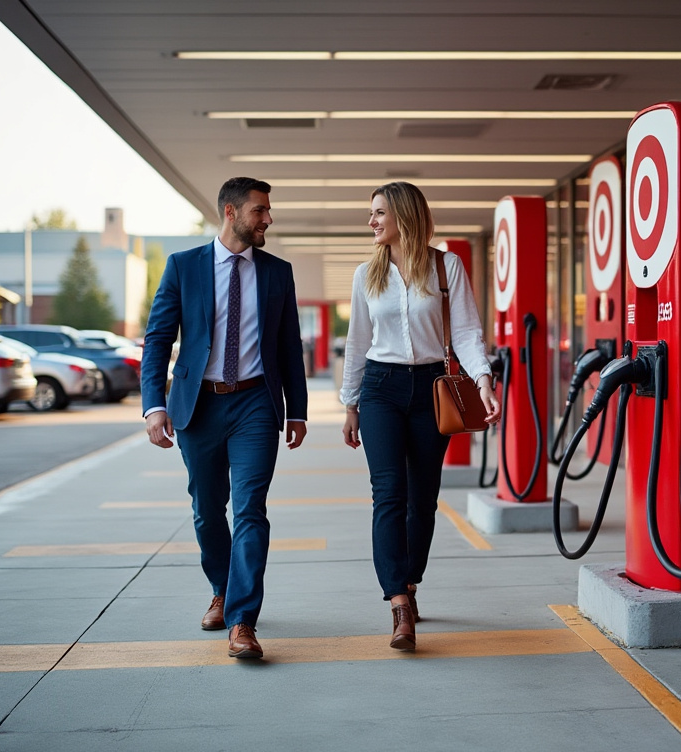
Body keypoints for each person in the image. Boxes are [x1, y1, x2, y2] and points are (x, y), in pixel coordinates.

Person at [141, 176, 308, 660]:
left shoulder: (278, 272)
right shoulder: (183, 267)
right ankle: (221, 587)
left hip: (255, 402)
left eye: (268, 210)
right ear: (231, 213)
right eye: (260, 211)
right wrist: (155, 405)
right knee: (207, 509)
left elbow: (287, 346)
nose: (268, 219)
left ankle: (242, 621)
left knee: (251, 509)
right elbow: (157, 340)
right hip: (199, 404)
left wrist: (295, 409)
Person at [340, 181, 500, 651]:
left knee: (423, 498)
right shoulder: (365, 275)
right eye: (371, 214)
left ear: (404, 216)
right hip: (381, 390)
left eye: (378, 213)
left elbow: (468, 332)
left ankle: (410, 582)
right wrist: (350, 405)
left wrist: (484, 382)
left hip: (433, 388)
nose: (371, 222)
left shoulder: (447, 267)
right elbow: (356, 344)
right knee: (388, 493)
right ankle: (397, 603)